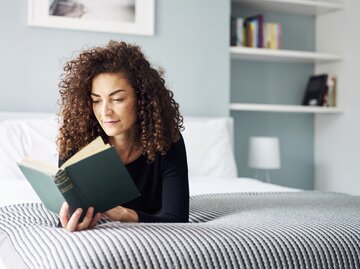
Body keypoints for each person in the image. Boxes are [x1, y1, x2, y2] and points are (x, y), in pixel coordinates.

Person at [57, 40, 189, 232]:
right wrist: (71, 222)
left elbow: (177, 219)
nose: (105, 112)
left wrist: (124, 215)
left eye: (117, 99)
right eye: (96, 100)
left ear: (142, 99)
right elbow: (69, 212)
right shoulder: (77, 142)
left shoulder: (167, 140)